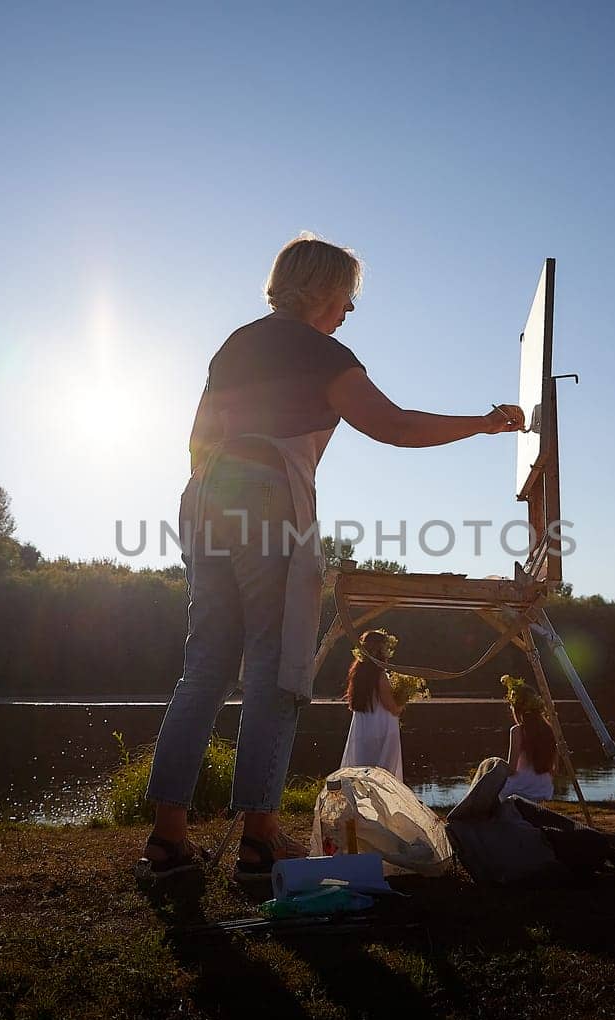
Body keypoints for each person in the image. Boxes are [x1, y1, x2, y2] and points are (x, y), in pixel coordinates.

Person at [138, 233, 526, 884]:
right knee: (276, 669)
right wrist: (483, 423)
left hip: (205, 497)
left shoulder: (237, 344)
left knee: (203, 670)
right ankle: (260, 843)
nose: (348, 312)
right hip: (267, 497)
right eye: (347, 298)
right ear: (324, 289)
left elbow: (196, 441)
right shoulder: (322, 352)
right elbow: (395, 425)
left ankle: (167, 841)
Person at [472, 675, 557, 802]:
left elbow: (511, 770)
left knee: (488, 767)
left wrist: (494, 768)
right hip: (544, 791)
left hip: (518, 791)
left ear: (517, 710)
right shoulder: (549, 729)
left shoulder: (517, 731)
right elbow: (554, 770)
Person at [338, 629, 405, 780]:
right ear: (381, 649)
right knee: (382, 775)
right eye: (386, 648)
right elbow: (391, 707)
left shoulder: (357, 674)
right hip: (381, 730)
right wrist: (402, 704)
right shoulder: (379, 676)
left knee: (362, 772)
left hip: (363, 729)